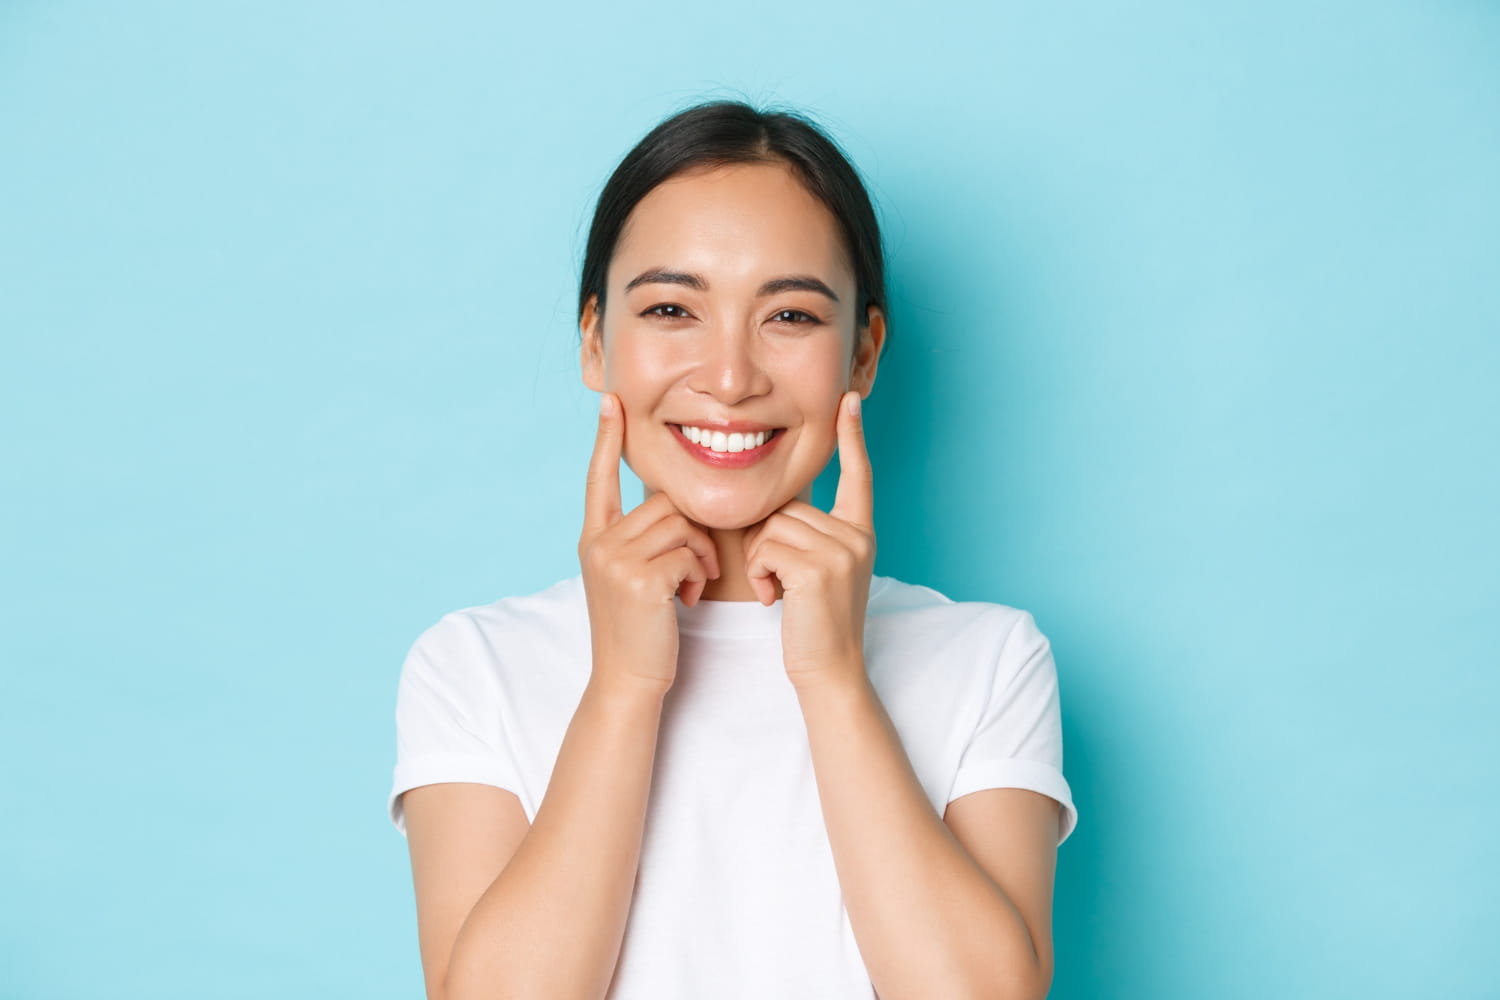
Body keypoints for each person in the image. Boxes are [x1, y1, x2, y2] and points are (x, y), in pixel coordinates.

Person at [386, 98, 1079, 1000]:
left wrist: (833, 677)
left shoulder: (989, 659)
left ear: (863, 354)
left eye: (789, 317)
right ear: (596, 340)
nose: (729, 377)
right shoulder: (473, 664)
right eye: (673, 308)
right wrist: (624, 687)